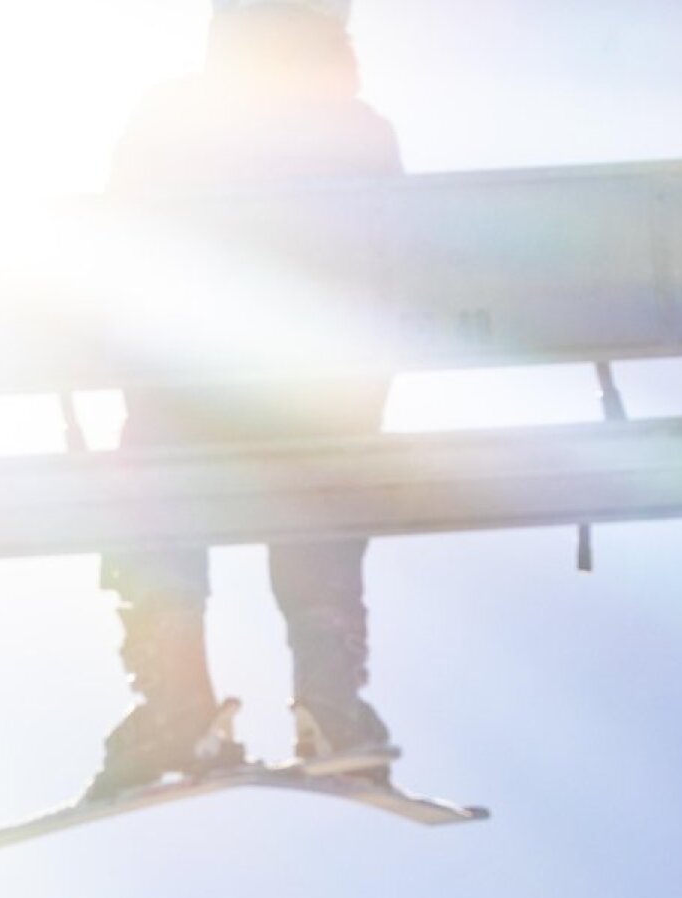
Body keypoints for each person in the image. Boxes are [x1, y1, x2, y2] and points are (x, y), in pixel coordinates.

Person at [86, 0, 406, 800]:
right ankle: (332, 703)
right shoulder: (360, 130)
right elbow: (402, 275)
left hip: (186, 408)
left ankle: (175, 698)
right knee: (325, 470)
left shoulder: (170, 115)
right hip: (316, 410)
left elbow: (109, 265)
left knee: (149, 471)